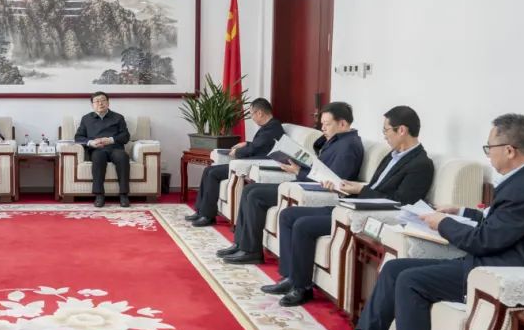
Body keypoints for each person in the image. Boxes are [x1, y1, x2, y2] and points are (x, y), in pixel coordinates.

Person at [319, 114, 524, 330]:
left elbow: (484, 241)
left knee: (410, 281)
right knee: (394, 269)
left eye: (489, 148)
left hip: (502, 273)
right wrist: (460, 212)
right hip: (492, 262)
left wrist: (443, 224)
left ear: (510, 150)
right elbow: (501, 222)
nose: (488, 155)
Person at [264, 106, 435, 306]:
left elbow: (401, 202)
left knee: (303, 225)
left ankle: (302, 288)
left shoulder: (421, 164)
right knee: (288, 215)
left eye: (386, 130)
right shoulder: (392, 155)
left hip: (366, 215)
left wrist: (360, 190)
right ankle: (290, 277)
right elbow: (375, 187)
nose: (384, 135)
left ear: (402, 130)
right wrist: (348, 187)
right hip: (353, 204)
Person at [220, 101, 364, 264]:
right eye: (322, 124)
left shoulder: (349, 146)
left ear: (343, 124)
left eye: (327, 124)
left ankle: (251, 251)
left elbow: (333, 181)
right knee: (249, 190)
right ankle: (240, 244)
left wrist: (298, 171)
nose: (323, 128)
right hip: (304, 182)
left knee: (255, 195)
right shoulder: (338, 140)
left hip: (313, 190)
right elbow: (321, 167)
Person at [186, 98, 283, 227]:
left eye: (252, 114)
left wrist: (237, 153)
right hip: (249, 163)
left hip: (252, 166)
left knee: (213, 173)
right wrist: (246, 143)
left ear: (259, 113)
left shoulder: (273, 128)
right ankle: (200, 210)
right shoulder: (270, 127)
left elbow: (255, 148)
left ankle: (208, 216)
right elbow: (260, 145)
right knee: (208, 170)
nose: (252, 117)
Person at [74, 91, 131, 208]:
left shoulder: (118, 117)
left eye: (103, 100)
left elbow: (125, 136)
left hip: (115, 148)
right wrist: (91, 143)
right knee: (98, 157)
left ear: (108, 103)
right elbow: (78, 137)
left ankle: (123, 195)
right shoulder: (86, 119)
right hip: (97, 149)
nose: (100, 103)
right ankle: (99, 195)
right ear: (92, 105)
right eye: (97, 101)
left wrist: (110, 140)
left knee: (123, 157)